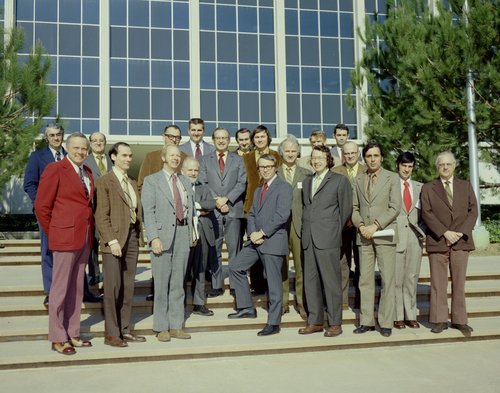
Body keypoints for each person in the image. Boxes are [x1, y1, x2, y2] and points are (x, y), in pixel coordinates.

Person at [34, 132, 95, 355]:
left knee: (76, 289)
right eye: (76, 148)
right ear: (68, 148)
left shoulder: (87, 172)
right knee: (59, 290)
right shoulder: (55, 169)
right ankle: (58, 337)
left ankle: (73, 332)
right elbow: (42, 207)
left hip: (84, 238)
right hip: (64, 238)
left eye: (84, 149)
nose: (81, 152)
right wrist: (55, 233)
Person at [228, 154, 292, 336]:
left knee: (273, 284)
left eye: (268, 166)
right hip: (256, 240)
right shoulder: (258, 189)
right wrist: (253, 233)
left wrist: (262, 233)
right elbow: (252, 214)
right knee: (235, 267)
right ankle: (247, 307)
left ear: (275, 167)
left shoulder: (284, 188)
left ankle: (273, 322)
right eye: (261, 167)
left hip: (272, 241)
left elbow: (282, 216)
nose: (264, 169)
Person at [95, 142, 146, 347]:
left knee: (128, 287)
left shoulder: (132, 182)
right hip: (114, 241)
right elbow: (101, 215)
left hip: (132, 237)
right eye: (124, 155)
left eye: (130, 155)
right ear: (113, 157)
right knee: (113, 287)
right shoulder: (104, 181)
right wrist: (111, 240)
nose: (128, 159)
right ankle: (111, 333)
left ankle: (125, 329)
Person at [421, 151, 478, 336]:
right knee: (438, 283)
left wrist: (460, 233)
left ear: (454, 166)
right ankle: (438, 320)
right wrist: (445, 232)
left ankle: (460, 320)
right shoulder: (428, 188)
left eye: (448, 164)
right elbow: (426, 213)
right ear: (437, 167)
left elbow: (473, 211)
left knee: (459, 283)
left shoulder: (465, 186)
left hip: (461, 241)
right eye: (441, 165)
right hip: (438, 240)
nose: (445, 167)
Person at [142, 145, 195, 342]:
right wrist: (153, 237)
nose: (175, 158)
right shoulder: (152, 181)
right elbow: (149, 211)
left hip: (182, 234)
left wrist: (192, 232)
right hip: (162, 237)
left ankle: (176, 325)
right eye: (171, 155)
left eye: (178, 156)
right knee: (162, 283)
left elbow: (191, 209)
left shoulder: (184, 181)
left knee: (178, 284)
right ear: (164, 157)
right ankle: (161, 326)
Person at [299, 145, 352, 337]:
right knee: (310, 281)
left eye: (320, 157)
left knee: (331, 283)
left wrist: (334, 232)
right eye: (313, 157)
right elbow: (307, 208)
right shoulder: (306, 181)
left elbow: (345, 210)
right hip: (309, 239)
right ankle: (315, 321)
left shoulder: (339, 181)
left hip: (328, 239)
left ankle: (335, 323)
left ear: (328, 159)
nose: (316, 161)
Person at [351, 140, 401, 337]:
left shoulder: (392, 178)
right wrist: (362, 226)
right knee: (365, 280)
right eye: (369, 156)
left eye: (376, 156)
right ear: (365, 157)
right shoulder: (358, 179)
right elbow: (354, 208)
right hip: (364, 236)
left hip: (384, 235)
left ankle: (386, 322)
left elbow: (395, 207)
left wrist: (375, 226)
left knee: (388, 279)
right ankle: (366, 321)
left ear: (382, 157)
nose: (372, 159)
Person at [137, 124, 187, 301]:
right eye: (171, 136)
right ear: (163, 136)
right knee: (160, 276)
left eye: (177, 137)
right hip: (160, 224)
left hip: (181, 229)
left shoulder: (184, 158)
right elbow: (142, 185)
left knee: (177, 280)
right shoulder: (151, 157)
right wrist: (152, 232)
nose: (174, 139)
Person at [198, 128, 247, 298]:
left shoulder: (238, 159)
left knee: (235, 250)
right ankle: (217, 285)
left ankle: (235, 284)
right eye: (217, 138)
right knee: (215, 249)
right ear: (213, 140)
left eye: (224, 138)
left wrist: (226, 199)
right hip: (213, 211)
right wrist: (217, 201)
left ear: (229, 140)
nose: (221, 141)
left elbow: (242, 182)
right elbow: (202, 182)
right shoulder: (205, 160)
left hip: (233, 209)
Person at [24, 124, 66, 307]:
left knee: (72, 251)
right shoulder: (37, 157)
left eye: (58, 134)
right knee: (48, 250)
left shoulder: (70, 154)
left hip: (69, 212)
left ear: (63, 136)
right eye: (52, 135)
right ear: (47, 137)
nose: (56, 138)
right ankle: (50, 291)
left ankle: (75, 287)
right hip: (47, 212)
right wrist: (41, 203)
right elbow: (29, 184)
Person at [243, 125, 282, 295]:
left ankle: (270, 284)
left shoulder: (276, 156)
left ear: (268, 138)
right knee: (254, 244)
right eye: (256, 137)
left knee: (269, 247)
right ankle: (257, 285)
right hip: (252, 205)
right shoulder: (247, 158)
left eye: (262, 137)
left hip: (271, 206)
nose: (259, 140)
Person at [276, 135, 311, 319]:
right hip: (279, 227)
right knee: (281, 266)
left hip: (299, 225)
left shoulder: (306, 174)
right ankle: (282, 303)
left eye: (293, 150)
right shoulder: (273, 172)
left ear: (298, 152)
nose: (290, 154)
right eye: (287, 150)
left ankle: (301, 302)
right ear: (281, 153)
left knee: (301, 267)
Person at [332, 141, 366, 308]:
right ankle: (343, 300)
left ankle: (361, 300)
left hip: (362, 225)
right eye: (347, 153)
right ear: (342, 155)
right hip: (343, 225)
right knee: (342, 263)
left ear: (358, 153)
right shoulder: (335, 172)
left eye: (353, 153)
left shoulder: (367, 170)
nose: (350, 156)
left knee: (362, 264)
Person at [394, 152, 425, 329]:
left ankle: (410, 314)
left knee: (411, 277)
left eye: (410, 166)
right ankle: (398, 316)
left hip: (415, 237)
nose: (407, 169)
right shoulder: (391, 185)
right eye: (404, 165)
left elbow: (427, 214)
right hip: (397, 236)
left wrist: (423, 232)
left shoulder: (420, 187)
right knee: (397, 278)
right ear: (398, 165)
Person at [182, 157, 217, 316]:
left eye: (195, 170)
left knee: (200, 270)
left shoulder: (203, 187)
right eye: (190, 169)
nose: (193, 173)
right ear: (182, 170)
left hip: (202, 233)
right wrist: (198, 208)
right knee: (182, 271)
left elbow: (211, 204)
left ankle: (198, 303)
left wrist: (194, 207)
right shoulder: (178, 186)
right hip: (184, 234)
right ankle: (180, 304)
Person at [84, 131, 113, 286]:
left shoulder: (112, 160)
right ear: (90, 143)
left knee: (110, 241)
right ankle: (94, 274)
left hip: (111, 209)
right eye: (94, 140)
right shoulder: (84, 161)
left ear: (105, 142)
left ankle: (110, 274)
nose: (98, 143)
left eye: (101, 140)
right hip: (93, 209)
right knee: (93, 243)